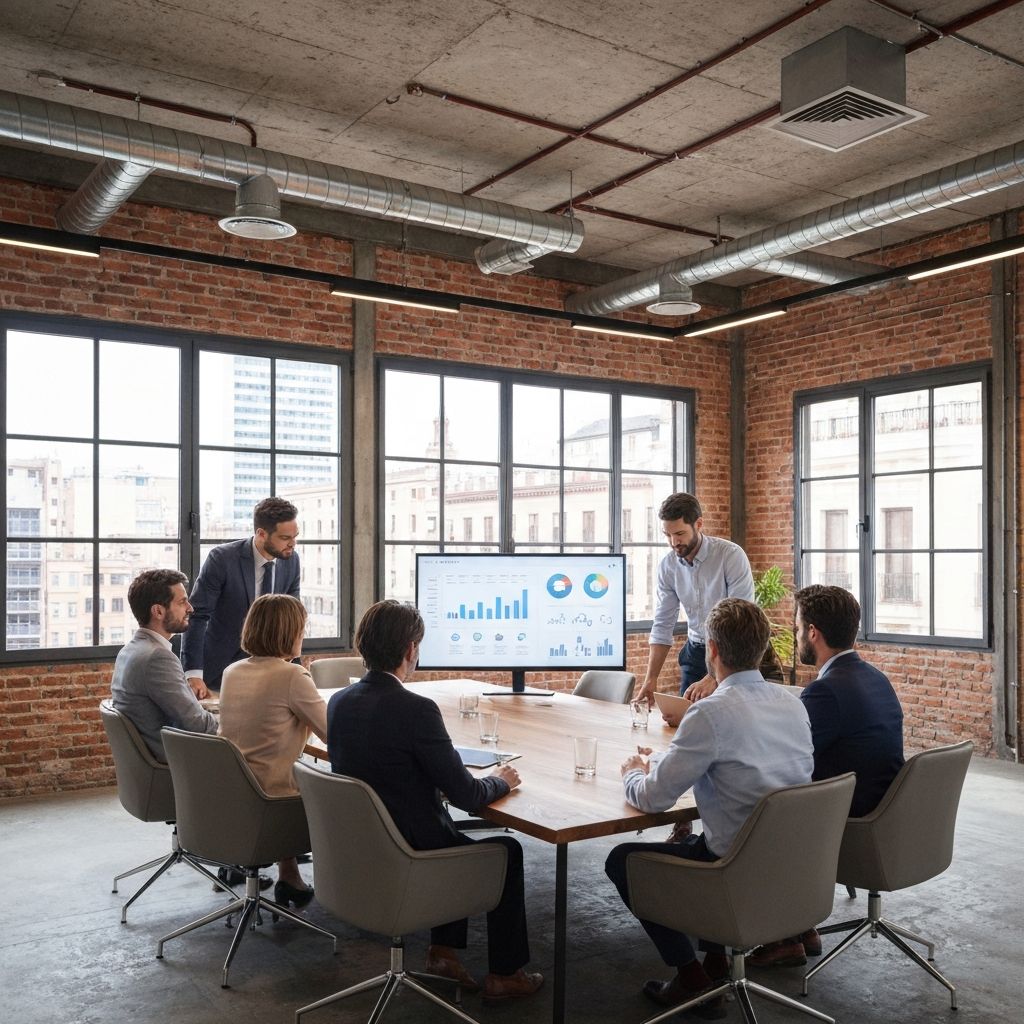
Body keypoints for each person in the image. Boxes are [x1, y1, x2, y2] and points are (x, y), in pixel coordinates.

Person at [326, 600, 544, 1004]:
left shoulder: (339, 701)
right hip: (410, 852)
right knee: (506, 850)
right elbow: (468, 795)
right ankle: (506, 974)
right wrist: (501, 781)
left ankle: (443, 954)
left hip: (361, 846)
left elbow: (383, 762)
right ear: (411, 650)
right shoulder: (416, 709)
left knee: (448, 832)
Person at [605, 598, 813, 1017]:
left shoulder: (711, 713)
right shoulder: (794, 703)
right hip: (796, 866)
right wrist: (666, 759)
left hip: (733, 871)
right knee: (705, 837)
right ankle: (715, 960)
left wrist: (632, 771)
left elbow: (652, 798)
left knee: (622, 859)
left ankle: (691, 978)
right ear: (762, 647)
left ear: (712, 650)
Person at [747, 584, 905, 969]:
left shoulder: (827, 691)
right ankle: (801, 928)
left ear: (813, 632)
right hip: (888, 815)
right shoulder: (873, 677)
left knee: (755, 808)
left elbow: (784, 756)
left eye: (799, 627)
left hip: (851, 823)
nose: (797, 633)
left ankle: (779, 935)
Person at [218, 594, 327, 909]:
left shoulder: (232, 671)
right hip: (272, 805)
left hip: (230, 796)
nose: (303, 635)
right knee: (340, 791)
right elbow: (333, 734)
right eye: (301, 628)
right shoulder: (292, 675)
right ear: (289, 632)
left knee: (275, 768)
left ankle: (289, 876)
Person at [635, 492, 754, 708]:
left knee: (727, 719)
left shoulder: (730, 556)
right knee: (684, 720)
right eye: (667, 535)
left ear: (698, 524)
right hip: (696, 651)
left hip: (732, 653)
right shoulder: (668, 566)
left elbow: (741, 622)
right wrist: (650, 680)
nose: (673, 542)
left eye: (679, 533)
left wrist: (714, 676)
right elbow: (662, 625)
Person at [181, 497, 300, 693]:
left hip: (271, 672)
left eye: (295, 536)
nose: (292, 544)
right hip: (221, 670)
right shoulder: (222, 559)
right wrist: (193, 673)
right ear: (261, 533)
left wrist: (297, 669)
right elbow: (197, 615)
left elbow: (293, 619)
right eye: (285, 538)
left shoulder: (291, 560)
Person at [111, 568, 219, 763]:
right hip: (178, 761)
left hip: (154, 756)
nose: (190, 608)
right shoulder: (157, 658)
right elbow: (198, 725)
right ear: (158, 611)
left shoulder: (130, 650)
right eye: (182, 602)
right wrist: (235, 721)